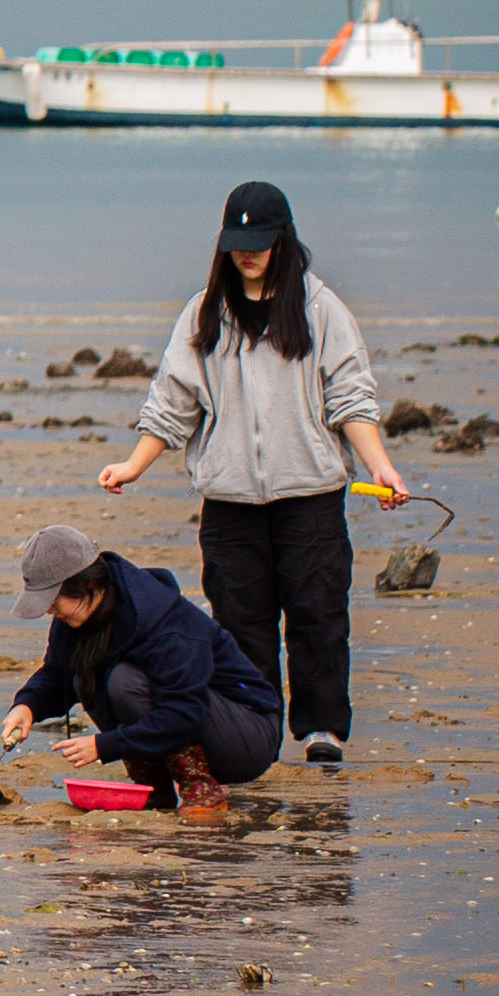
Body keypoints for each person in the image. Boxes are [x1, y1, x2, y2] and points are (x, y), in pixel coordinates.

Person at [98, 180, 401, 772]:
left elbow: (351, 400)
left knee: (318, 615)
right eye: (237, 242)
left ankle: (321, 731)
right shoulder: (204, 310)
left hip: (311, 496)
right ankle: (254, 729)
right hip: (230, 502)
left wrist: (380, 466)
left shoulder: (320, 309)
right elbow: (174, 401)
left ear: (282, 240)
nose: (248, 253)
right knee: (240, 623)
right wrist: (134, 464)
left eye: (259, 241)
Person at [0, 524, 279, 816]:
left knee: (123, 682)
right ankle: (153, 789)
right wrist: (27, 705)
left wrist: (106, 745)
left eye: (54, 602)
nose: (50, 612)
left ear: (88, 585)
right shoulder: (76, 617)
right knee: (84, 676)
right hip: (192, 720)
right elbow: (57, 675)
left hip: (248, 735)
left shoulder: (164, 622)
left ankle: (198, 786)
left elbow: (183, 711)